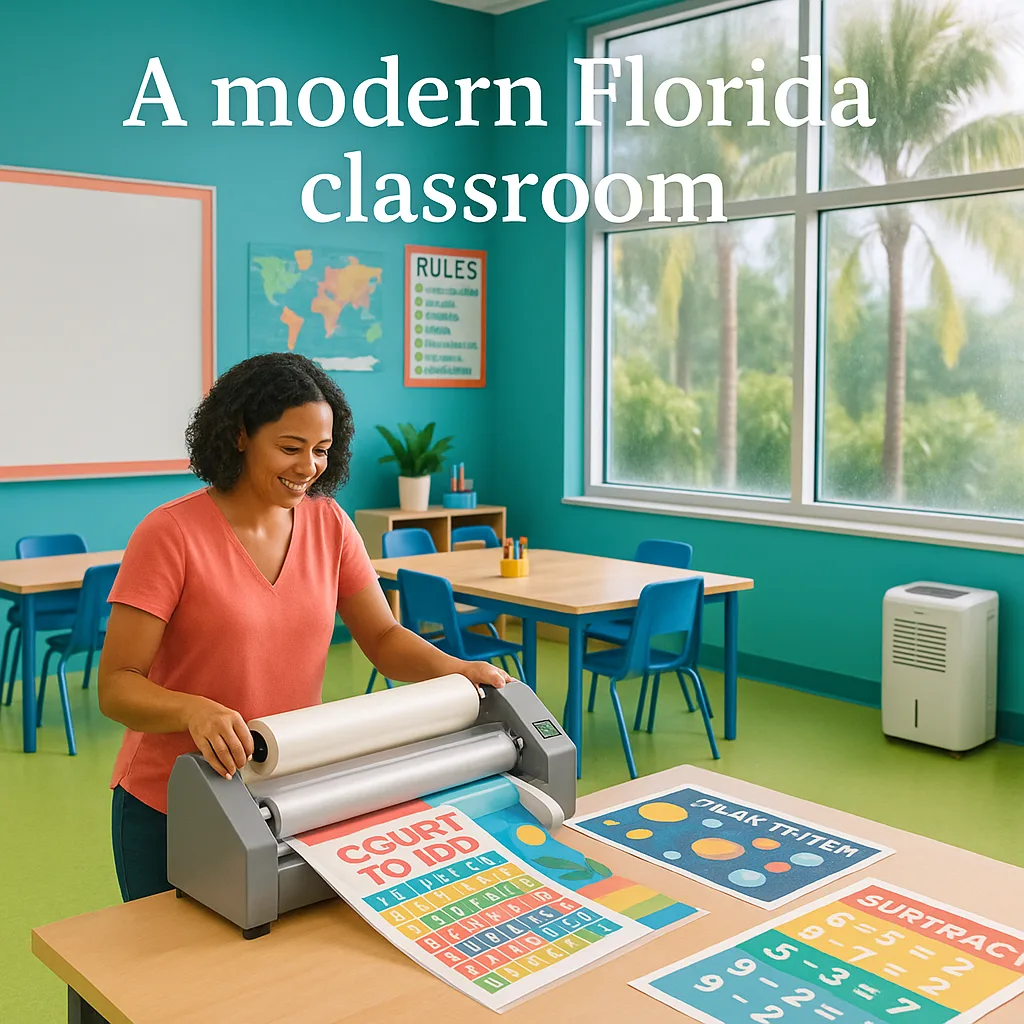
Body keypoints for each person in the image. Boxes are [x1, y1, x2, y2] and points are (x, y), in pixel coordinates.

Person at [98, 352, 512, 902]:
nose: (309, 467)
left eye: (321, 450)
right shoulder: (170, 534)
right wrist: (194, 710)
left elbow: (383, 637)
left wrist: (455, 670)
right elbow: (117, 684)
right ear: (240, 435)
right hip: (172, 802)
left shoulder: (329, 522)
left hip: (283, 794)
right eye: (290, 448)